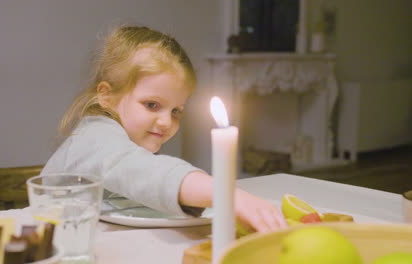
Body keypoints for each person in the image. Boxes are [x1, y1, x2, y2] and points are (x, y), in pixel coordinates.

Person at [42, 25, 287, 233]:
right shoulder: (96, 136)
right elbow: (140, 171)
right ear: (106, 96)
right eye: (152, 105)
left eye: (175, 111)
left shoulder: (128, 140)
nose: (166, 122)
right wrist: (225, 194)